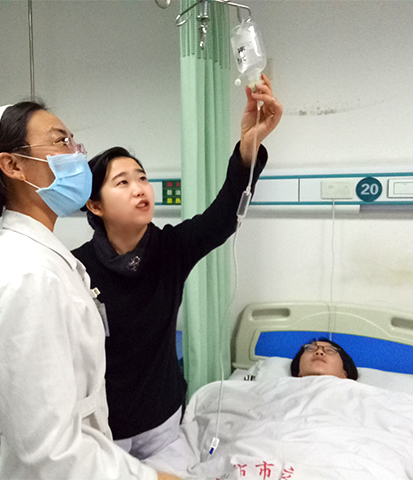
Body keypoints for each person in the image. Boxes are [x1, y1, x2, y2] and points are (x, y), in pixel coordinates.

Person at [0, 101, 179, 480]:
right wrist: (148, 478)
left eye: (74, 141)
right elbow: (49, 451)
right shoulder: (28, 274)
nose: (77, 154)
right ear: (13, 165)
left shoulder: (40, 256)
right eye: (61, 142)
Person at [71, 74, 283, 459]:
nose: (140, 188)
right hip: (102, 427)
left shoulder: (170, 249)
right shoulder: (76, 268)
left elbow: (224, 216)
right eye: (122, 182)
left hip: (163, 421)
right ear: (95, 205)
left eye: (142, 178)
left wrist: (249, 146)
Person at [290, 338, 359, 380]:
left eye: (330, 350)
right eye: (311, 349)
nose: (319, 352)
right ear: (299, 372)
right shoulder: (285, 388)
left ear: (344, 375)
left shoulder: (359, 393)